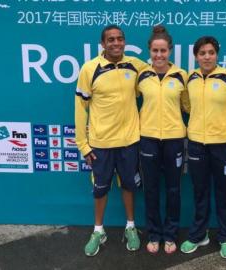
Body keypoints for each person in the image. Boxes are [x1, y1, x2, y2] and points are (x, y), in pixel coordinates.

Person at [75, 25, 146, 256]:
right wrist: (83, 145)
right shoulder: (89, 69)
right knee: (100, 189)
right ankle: (98, 230)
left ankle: (131, 227)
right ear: (103, 44)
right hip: (101, 144)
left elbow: (158, 72)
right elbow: (80, 108)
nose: (116, 43)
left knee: (128, 185)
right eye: (111, 40)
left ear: (124, 42)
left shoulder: (135, 66)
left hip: (129, 142)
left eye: (120, 39)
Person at [180, 36, 226, 259]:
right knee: (200, 192)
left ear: (217, 54)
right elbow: (186, 104)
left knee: (223, 194)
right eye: (202, 53)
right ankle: (198, 235)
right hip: (196, 145)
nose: (206, 57)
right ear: (196, 56)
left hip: (223, 145)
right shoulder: (190, 78)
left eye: (211, 52)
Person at [137, 25, 190, 254]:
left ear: (170, 51)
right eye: (155, 51)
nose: (159, 55)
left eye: (163, 51)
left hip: (174, 140)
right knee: (150, 189)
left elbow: (188, 106)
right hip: (147, 139)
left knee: (173, 190)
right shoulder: (141, 75)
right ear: (149, 50)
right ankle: (154, 234)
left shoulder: (181, 75)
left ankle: (170, 234)